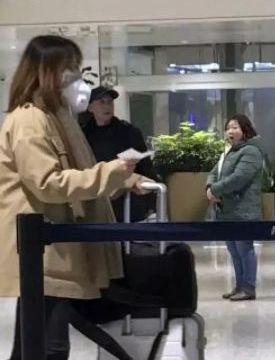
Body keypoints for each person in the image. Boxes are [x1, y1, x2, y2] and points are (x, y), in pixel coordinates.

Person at [0, 35, 151, 359]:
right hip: (41, 250)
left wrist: (124, 178)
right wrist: (112, 172)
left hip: (53, 248)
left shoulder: (56, 116)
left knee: (36, 344)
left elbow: (78, 171)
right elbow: (48, 182)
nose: (77, 79)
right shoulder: (30, 119)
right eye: (69, 70)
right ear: (47, 72)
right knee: (47, 347)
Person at [207, 114, 265, 302]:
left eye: (235, 128)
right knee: (233, 251)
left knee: (244, 249)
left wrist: (216, 189)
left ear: (245, 130)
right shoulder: (229, 151)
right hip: (227, 210)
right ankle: (239, 285)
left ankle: (248, 288)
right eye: (228, 128)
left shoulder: (251, 152)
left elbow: (239, 178)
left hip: (243, 210)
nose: (230, 131)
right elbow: (214, 172)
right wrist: (209, 186)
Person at [82, 86, 160, 223]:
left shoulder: (128, 131)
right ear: (90, 107)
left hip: (128, 201)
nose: (107, 106)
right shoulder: (84, 135)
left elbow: (146, 167)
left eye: (110, 102)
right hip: (96, 200)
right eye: (102, 102)